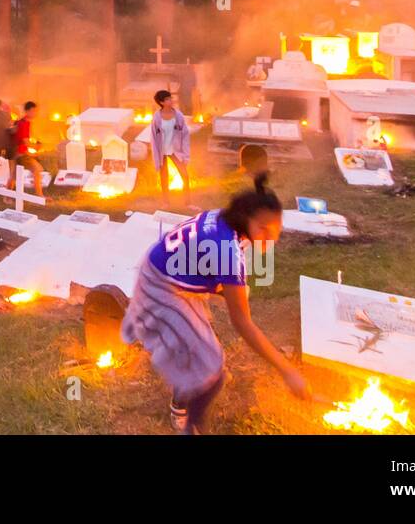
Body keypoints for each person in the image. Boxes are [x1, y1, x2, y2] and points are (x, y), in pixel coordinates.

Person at [121, 174, 312, 433]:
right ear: (248, 219)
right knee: (211, 369)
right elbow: (243, 324)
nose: (272, 237)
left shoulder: (227, 219)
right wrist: (286, 370)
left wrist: (227, 290)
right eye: (265, 229)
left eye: (275, 230)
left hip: (169, 270)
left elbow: (205, 254)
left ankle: (189, 377)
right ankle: (191, 424)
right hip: (162, 287)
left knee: (198, 348)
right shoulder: (228, 252)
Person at [150, 90, 192, 209]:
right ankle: (166, 202)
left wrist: (186, 155)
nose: (171, 100)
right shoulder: (157, 117)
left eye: (171, 98)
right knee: (164, 178)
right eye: (168, 99)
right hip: (162, 151)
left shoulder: (178, 116)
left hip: (176, 151)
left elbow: (185, 135)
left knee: (185, 175)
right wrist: (156, 156)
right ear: (162, 102)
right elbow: (153, 137)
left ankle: (188, 203)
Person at [9, 101, 45, 195]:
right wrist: (37, 147)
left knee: (13, 176)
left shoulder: (21, 122)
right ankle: (40, 196)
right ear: (27, 111)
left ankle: (7, 198)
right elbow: (25, 142)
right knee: (37, 170)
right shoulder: (24, 124)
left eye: (36, 111)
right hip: (21, 154)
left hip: (15, 153)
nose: (35, 113)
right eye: (33, 111)